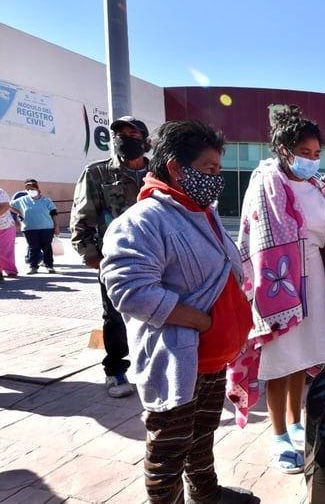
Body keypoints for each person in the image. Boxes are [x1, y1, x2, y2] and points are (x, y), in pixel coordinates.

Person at [99, 119, 254, 504]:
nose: (217, 179)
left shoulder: (202, 211)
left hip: (213, 358)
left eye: (219, 169)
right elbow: (129, 290)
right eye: (209, 169)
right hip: (178, 357)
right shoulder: (142, 220)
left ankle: (206, 494)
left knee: (202, 435)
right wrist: (203, 322)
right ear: (175, 168)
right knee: (168, 448)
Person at [231, 105, 325, 474]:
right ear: (284, 149)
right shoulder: (266, 182)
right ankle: (278, 436)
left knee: (303, 356)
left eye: (316, 154)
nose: (311, 160)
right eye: (304, 153)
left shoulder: (318, 188)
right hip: (278, 282)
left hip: (315, 282)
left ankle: (295, 422)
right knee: (279, 359)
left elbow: (323, 241)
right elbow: (257, 240)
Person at [70, 115, 150, 398]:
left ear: (145, 141)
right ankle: (115, 371)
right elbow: (81, 220)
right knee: (115, 317)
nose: (125, 138)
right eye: (120, 134)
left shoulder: (161, 173)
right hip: (115, 260)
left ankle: (151, 366)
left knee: (157, 314)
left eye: (133, 134)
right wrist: (93, 258)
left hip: (156, 259)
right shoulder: (97, 173)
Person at [10, 179, 60, 275]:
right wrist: (19, 212)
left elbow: (54, 213)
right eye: (28, 189)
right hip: (29, 228)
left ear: (37, 189)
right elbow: (9, 205)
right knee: (33, 247)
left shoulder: (46, 200)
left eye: (32, 188)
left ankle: (49, 266)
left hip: (47, 227)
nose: (30, 191)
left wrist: (57, 226)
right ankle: (33, 267)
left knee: (47, 247)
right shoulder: (22, 200)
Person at [0, 188, 18, 281]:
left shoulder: (1, 192)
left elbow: (5, 206)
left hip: (5, 225)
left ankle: (10, 270)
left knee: (6, 250)